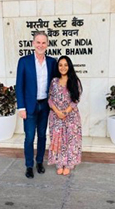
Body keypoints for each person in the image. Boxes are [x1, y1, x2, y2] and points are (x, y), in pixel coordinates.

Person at [16, 31, 57, 179]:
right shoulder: (24, 61)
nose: (41, 45)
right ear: (33, 43)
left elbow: (56, 84)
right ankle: (29, 165)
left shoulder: (52, 62)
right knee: (29, 137)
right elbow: (19, 86)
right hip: (29, 106)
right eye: (38, 42)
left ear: (47, 44)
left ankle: (39, 162)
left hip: (45, 106)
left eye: (44, 42)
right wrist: (21, 107)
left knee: (42, 136)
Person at [48, 56, 82, 176]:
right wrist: (57, 112)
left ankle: (68, 164)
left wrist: (66, 112)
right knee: (57, 140)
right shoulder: (54, 81)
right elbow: (50, 99)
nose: (63, 67)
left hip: (71, 117)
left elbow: (76, 99)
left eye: (66, 65)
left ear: (70, 66)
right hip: (55, 116)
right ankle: (59, 163)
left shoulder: (74, 81)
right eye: (60, 65)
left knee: (70, 140)